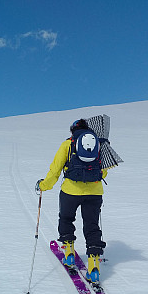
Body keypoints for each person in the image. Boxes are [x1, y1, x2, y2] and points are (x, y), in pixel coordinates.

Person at [37, 119, 107, 283]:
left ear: (72, 131)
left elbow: (55, 170)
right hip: (95, 193)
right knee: (92, 226)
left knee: (66, 219)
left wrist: (43, 186)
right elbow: (103, 172)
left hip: (70, 191)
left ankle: (69, 255)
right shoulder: (98, 145)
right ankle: (94, 268)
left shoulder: (67, 145)